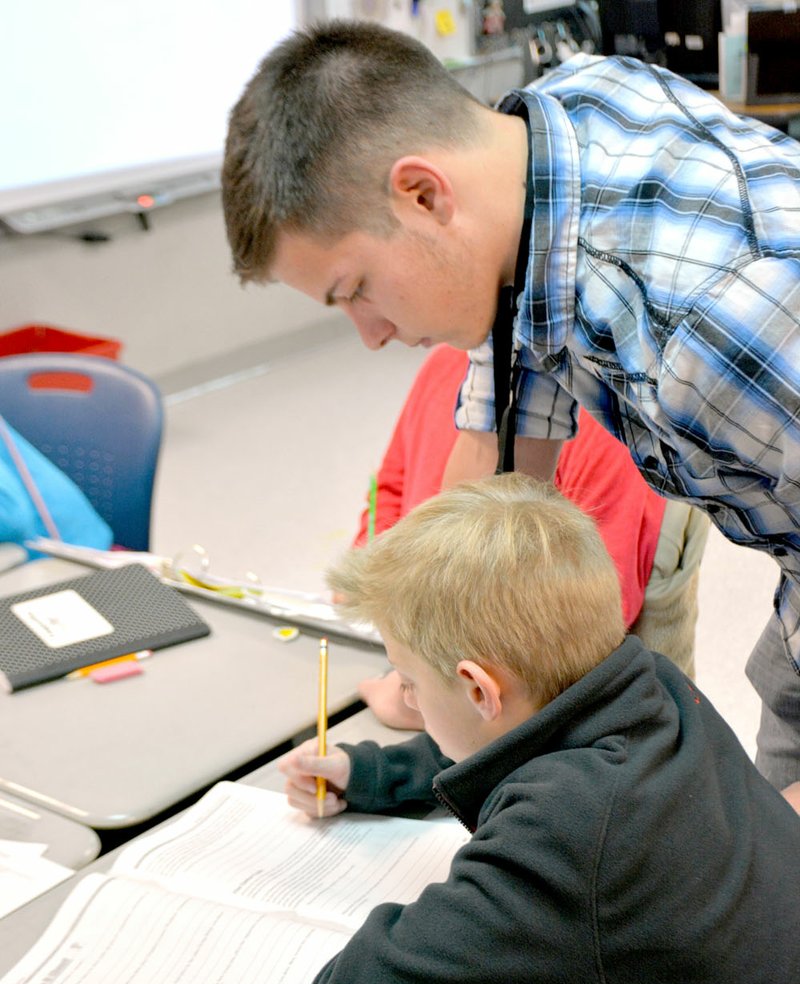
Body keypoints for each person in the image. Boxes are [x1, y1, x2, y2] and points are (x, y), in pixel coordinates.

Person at [222, 22, 800, 790]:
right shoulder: (536, 148)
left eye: (355, 289)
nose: (369, 335)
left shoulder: (714, 330)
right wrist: (421, 699)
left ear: (423, 193)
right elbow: (486, 502)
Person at [280, 473, 800, 984]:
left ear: (477, 688)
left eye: (410, 682)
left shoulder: (576, 830)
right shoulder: (654, 688)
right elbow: (519, 734)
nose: (405, 698)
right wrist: (375, 773)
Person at [350, 342, 707, 727]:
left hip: (540, 681)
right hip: (450, 670)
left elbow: (587, 627)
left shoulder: (594, 419)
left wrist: (417, 697)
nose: (373, 337)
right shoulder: (441, 364)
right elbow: (389, 489)